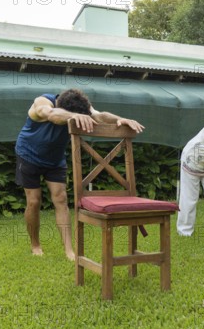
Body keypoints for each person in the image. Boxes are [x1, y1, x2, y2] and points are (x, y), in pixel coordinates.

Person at [15, 88, 144, 260]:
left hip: (55, 159)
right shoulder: (43, 102)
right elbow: (49, 113)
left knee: (60, 199)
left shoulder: (82, 107)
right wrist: (72, 116)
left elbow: (99, 116)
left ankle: (69, 251)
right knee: (33, 201)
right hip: (28, 155)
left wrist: (120, 119)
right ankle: (35, 245)